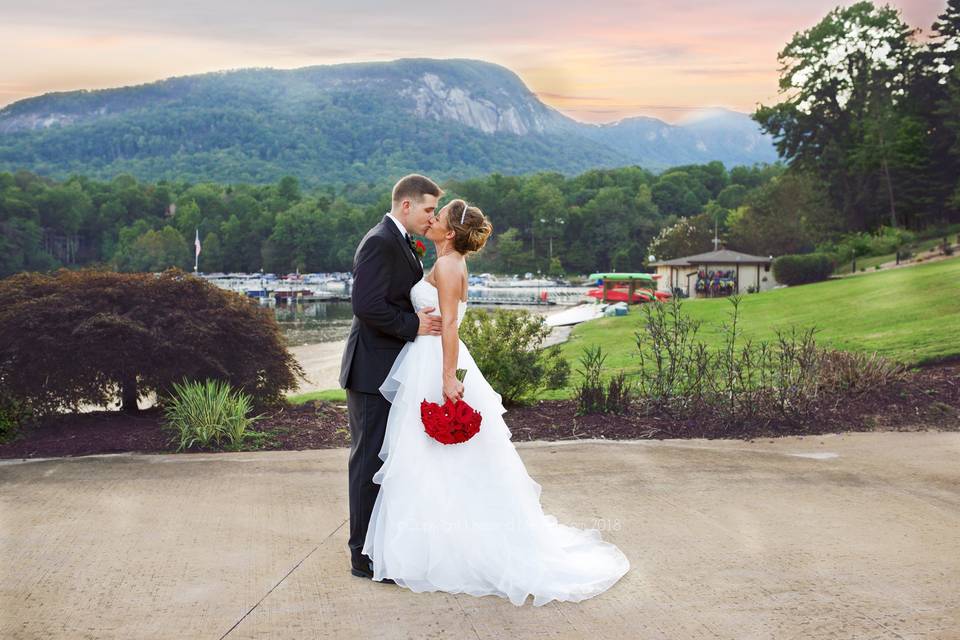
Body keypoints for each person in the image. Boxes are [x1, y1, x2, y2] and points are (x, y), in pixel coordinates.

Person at [361, 198, 630, 606]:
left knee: (437, 455)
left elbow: (449, 323)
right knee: (428, 457)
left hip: (437, 363)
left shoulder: (450, 266)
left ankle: (449, 550)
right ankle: (427, 545)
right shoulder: (441, 261)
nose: (431, 219)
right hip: (425, 358)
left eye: (439, 216)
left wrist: (448, 378)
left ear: (449, 233)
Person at [339, 174, 445, 583]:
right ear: (406, 205)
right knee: (367, 461)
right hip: (370, 371)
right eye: (428, 209)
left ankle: (380, 546)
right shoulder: (380, 242)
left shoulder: (400, 242)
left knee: (386, 460)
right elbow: (366, 306)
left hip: (391, 370)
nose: (431, 217)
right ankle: (361, 556)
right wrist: (413, 325)